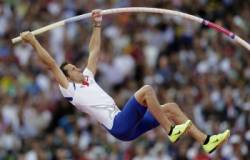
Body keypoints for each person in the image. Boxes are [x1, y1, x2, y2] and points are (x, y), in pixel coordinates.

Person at [19, 9, 230, 154]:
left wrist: (97, 24)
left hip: (126, 125)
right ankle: (170, 130)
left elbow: (94, 51)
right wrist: (32, 42)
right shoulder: (69, 90)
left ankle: (206, 141)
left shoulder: (88, 78)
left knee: (172, 108)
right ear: (67, 77)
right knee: (146, 90)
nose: (77, 68)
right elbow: (51, 64)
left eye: (75, 66)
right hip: (119, 126)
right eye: (72, 69)